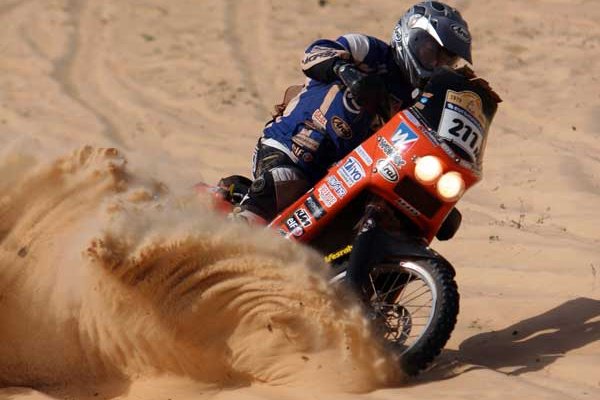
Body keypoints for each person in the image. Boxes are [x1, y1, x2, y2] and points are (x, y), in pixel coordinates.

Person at [232, 1, 473, 223]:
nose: (437, 65)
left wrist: (434, 201)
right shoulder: (370, 51)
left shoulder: (417, 102)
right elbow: (312, 55)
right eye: (432, 53)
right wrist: (346, 71)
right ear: (411, 38)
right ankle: (235, 233)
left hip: (343, 179)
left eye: (446, 61)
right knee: (286, 181)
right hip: (291, 148)